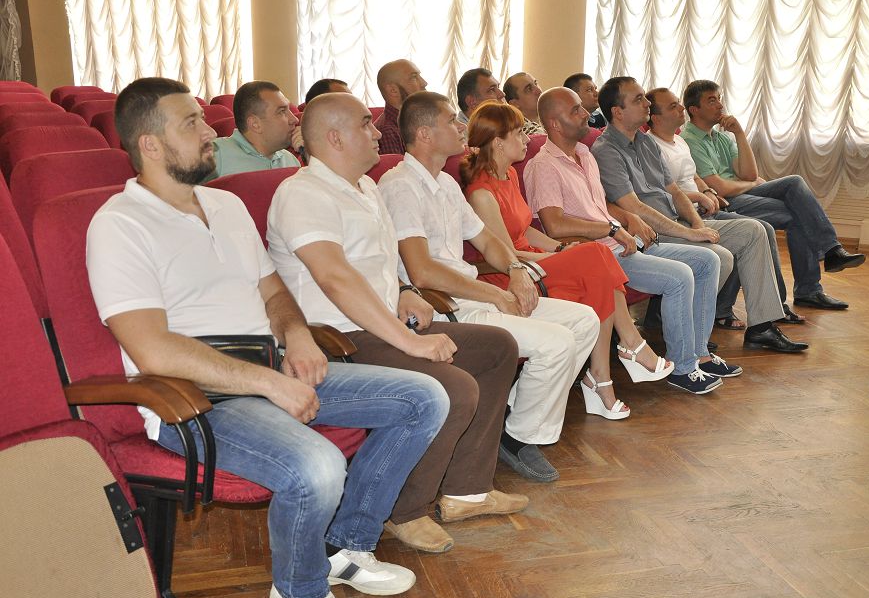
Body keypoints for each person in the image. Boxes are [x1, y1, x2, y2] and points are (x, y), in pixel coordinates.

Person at [89, 77, 450, 598]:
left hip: (268, 368)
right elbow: (152, 348)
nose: (210, 132)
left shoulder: (225, 204)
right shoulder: (119, 225)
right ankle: (299, 590)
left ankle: (347, 547)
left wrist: (297, 335)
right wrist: (268, 383)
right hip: (194, 400)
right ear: (150, 144)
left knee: (423, 398)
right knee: (317, 464)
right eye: (191, 123)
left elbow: (274, 291)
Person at [266, 92, 527, 554]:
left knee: (497, 347)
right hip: (336, 340)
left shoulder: (365, 188)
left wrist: (404, 290)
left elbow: (376, 264)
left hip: (379, 324)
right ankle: (404, 510)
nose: (377, 132)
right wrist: (410, 341)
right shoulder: (302, 193)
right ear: (334, 138)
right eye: (365, 124)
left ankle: (466, 490)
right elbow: (335, 278)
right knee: (454, 386)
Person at [378, 90, 601, 483]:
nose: (461, 126)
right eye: (451, 120)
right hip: (441, 305)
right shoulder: (400, 186)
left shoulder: (445, 184)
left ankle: (511, 421)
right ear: (425, 134)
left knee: (584, 321)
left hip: (471, 294)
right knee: (557, 343)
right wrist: (496, 293)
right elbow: (421, 272)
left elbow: (487, 240)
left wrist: (515, 269)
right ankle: (518, 436)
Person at [463, 102, 674, 420]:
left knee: (597, 262)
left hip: (536, 260)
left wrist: (561, 249)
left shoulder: (508, 175)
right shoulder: (481, 193)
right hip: (511, 273)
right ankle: (623, 353)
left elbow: (526, 230)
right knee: (596, 256)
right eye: (519, 133)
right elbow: (506, 254)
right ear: (498, 142)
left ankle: (603, 377)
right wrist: (557, 256)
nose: (527, 139)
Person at [526, 87, 739, 394]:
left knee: (708, 259)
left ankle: (699, 354)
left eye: (581, 107)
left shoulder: (584, 154)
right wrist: (611, 229)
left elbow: (598, 204)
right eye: (575, 110)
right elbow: (554, 224)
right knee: (680, 276)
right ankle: (682, 368)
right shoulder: (544, 165)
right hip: (598, 255)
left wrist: (626, 217)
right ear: (555, 124)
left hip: (622, 243)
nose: (586, 114)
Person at [590, 77, 807, 354]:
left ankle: (761, 327)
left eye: (645, 97)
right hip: (651, 232)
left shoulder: (645, 142)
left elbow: (675, 191)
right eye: (638, 99)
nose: (646, 103)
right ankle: (688, 337)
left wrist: (696, 223)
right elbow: (633, 207)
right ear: (617, 112)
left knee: (753, 231)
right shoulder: (606, 150)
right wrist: (690, 233)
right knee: (720, 256)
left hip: (677, 222)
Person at [681, 79, 865, 310]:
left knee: (795, 184)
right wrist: (750, 183)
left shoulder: (721, 137)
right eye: (711, 100)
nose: (720, 105)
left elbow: (749, 173)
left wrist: (739, 133)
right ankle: (811, 284)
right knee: (799, 213)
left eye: (719, 99)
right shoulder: (690, 140)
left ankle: (828, 256)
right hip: (723, 201)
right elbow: (722, 189)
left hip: (740, 190)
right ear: (694, 109)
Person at [646, 86, 807, 329]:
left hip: (702, 210)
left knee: (760, 228)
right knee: (752, 233)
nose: (681, 108)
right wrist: (699, 201)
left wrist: (707, 192)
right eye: (673, 106)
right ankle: (719, 315)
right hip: (679, 217)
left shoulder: (678, 141)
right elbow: (662, 194)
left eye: (678, 102)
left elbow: (693, 176)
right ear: (656, 118)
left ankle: (763, 324)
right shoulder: (651, 145)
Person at [206, 80, 301, 180]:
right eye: (282, 111)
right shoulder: (215, 155)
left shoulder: (290, 160)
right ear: (255, 124)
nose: (295, 119)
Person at [374, 59, 428, 154]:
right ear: (393, 90)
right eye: (414, 77)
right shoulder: (387, 132)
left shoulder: (416, 121)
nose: (424, 83)